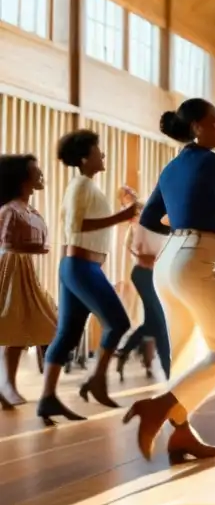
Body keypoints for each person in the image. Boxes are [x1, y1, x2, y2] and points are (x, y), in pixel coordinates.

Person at [122, 99, 215, 464]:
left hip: (168, 262)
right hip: (197, 260)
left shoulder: (172, 167)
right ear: (197, 128)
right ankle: (159, 408)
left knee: (185, 356)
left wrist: (183, 225)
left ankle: (181, 435)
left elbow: (151, 219)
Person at [38, 130, 139, 425]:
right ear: (85, 158)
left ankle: (47, 398)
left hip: (79, 266)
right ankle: (97, 380)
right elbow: (78, 224)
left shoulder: (87, 185)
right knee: (119, 322)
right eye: (98, 150)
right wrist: (121, 217)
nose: (103, 155)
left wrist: (122, 216)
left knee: (68, 335)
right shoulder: (81, 185)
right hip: (81, 266)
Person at [0, 155, 56, 408]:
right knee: (10, 323)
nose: (41, 173)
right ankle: (7, 384)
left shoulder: (29, 209)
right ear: (22, 178)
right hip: (8, 266)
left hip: (25, 267)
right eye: (36, 170)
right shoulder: (9, 210)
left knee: (21, 328)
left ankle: (8, 383)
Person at [115, 201, 171, 382]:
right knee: (160, 324)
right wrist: (155, 258)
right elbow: (138, 251)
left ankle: (124, 352)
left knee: (153, 323)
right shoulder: (144, 225)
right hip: (143, 275)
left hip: (156, 277)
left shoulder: (169, 225)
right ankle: (169, 370)